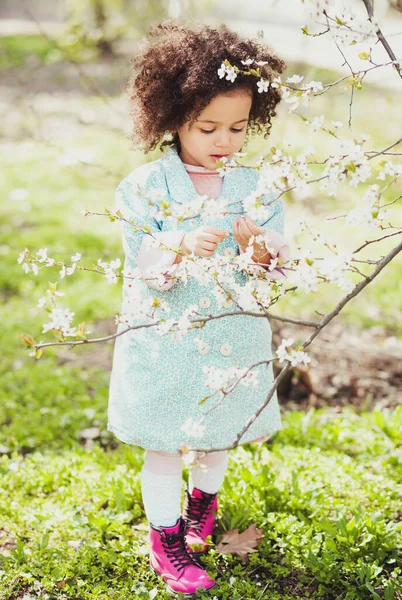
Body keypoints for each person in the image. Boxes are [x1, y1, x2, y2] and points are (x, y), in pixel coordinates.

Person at [107, 20, 290, 596]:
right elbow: (140, 260)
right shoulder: (145, 187)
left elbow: (279, 263)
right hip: (165, 331)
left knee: (216, 433)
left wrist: (262, 249)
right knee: (163, 442)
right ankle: (165, 540)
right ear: (172, 117)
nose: (223, 141)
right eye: (206, 126)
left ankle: (200, 509)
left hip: (231, 331)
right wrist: (178, 244)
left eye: (237, 127)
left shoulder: (257, 186)